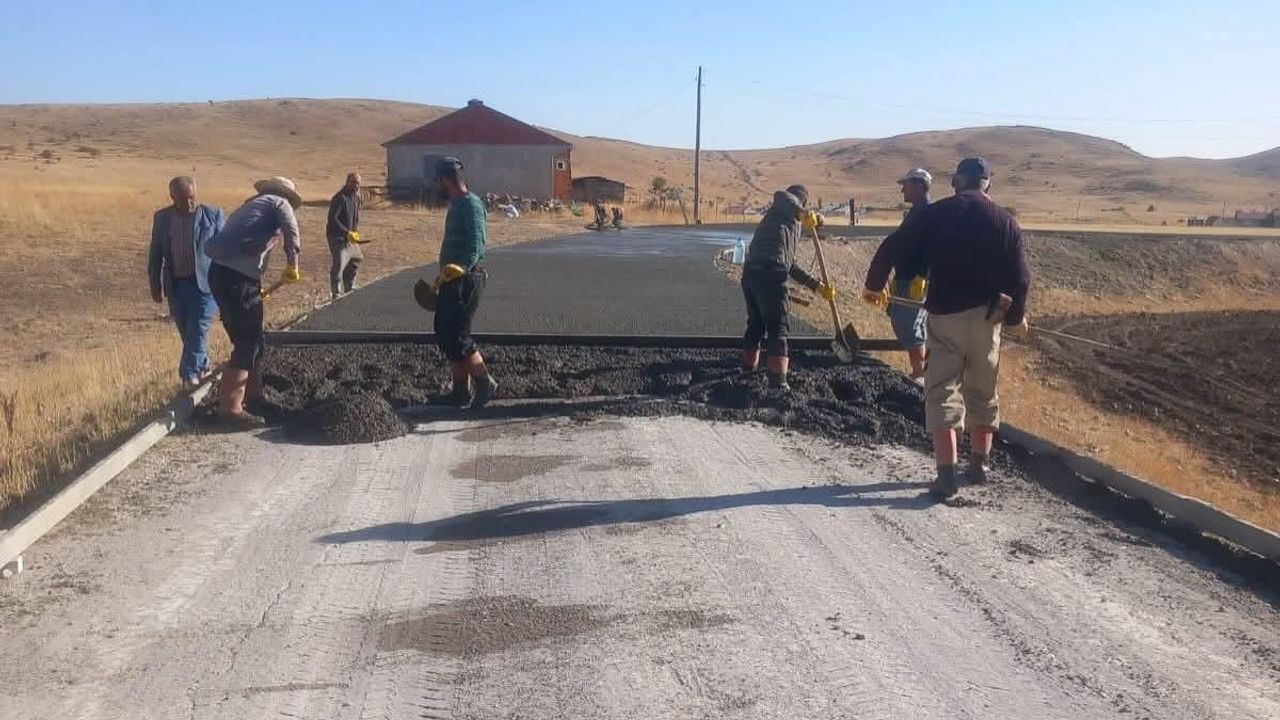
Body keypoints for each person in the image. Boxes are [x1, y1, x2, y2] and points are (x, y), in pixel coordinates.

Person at [862, 158, 1031, 499]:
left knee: (942, 392)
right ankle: (980, 465)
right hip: (987, 321)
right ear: (988, 185)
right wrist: (1014, 317)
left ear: (956, 182)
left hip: (945, 318)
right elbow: (1021, 278)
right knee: (983, 391)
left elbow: (893, 247)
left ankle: (946, 475)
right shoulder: (1005, 221)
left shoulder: (936, 213)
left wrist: (875, 284)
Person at [203, 177, 304, 428]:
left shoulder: (253, 208)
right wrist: (293, 262)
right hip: (237, 280)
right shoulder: (279, 202)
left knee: (253, 339)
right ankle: (230, 410)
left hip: (225, 276)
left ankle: (254, 397)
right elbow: (291, 229)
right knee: (247, 341)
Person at [741, 184, 834, 390]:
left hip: (752, 273)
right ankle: (778, 382)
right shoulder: (782, 204)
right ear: (801, 203)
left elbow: (789, 263)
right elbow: (783, 196)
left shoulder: (787, 224)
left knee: (756, 324)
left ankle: (747, 370)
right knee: (777, 326)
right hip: (770, 274)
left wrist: (816, 286)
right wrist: (802, 211)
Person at [433, 157, 498, 409]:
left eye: (437, 182)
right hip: (452, 278)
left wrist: (461, 267)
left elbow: (477, 243)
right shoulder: (457, 203)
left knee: (458, 336)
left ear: (444, 180)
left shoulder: (470, 204)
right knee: (447, 334)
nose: (437, 187)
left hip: (467, 279)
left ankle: (484, 382)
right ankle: (460, 392)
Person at [147, 176, 224, 388]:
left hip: (206, 286)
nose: (189, 203)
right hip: (176, 286)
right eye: (183, 198)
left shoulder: (212, 215)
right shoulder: (162, 218)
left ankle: (188, 377)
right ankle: (204, 366)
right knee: (187, 332)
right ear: (172, 197)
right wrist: (154, 283)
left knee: (198, 329)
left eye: (192, 197)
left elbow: (225, 250)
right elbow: (155, 253)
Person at [873, 168, 933, 384]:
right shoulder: (916, 212)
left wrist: (925, 274)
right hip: (905, 276)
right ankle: (920, 371)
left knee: (908, 323)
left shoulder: (927, 213)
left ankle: (921, 374)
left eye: (905, 185)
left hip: (915, 279)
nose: (902, 189)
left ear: (919, 186)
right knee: (903, 321)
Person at [326, 172, 362, 300]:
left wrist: (355, 232)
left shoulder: (356, 198)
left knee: (356, 259)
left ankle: (349, 287)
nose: (356, 186)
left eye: (358, 183)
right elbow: (333, 219)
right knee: (340, 262)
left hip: (350, 236)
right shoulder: (339, 198)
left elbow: (355, 217)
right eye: (353, 182)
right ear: (347, 182)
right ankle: (336, 292)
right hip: (336, 236)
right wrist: (346, 232)